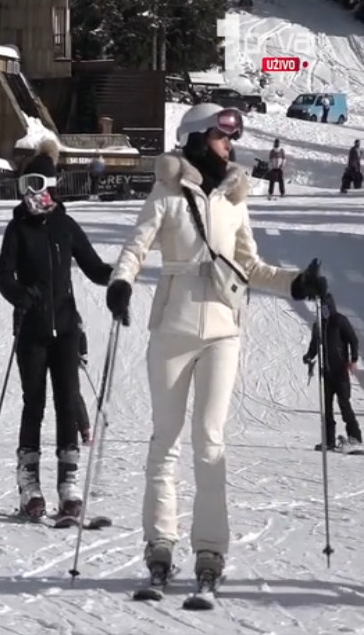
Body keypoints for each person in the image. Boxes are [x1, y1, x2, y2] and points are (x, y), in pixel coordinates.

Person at [105, 102, 329, 586]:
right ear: (195, 137)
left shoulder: (234, 199)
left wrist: (296, 284)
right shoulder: (165, 193)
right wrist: (121, 282)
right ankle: (159, 541)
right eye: (224, 136)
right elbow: (135, 246)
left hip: (224, 328)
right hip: (173, 327)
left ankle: (210, 547)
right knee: (165, 438)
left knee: (210, 440)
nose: (232, 145)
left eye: (233, 137)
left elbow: (251, 266)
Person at [0, 137, 113, 522]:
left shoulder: (65, 225)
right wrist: (19, 296)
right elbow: (3, 276)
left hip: (64, 329)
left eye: (34, 185)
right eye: (23, 185)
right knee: (34, 404)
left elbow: (95, 268)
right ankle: (29, 483)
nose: (28, 194)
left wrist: (121, 277)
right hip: (30, 330)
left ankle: (68, 484)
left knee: (67, 403)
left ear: (48, 187)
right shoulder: (17, 228)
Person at [303, 292, 361, 452]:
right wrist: (309, 356)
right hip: (326, 372)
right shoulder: (318, 325)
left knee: (344, 404)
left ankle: (355, 437)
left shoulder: (339, 321)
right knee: (326, 408)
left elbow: (352, 339)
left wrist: (353, 359)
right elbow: (314, 344)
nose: (323, 311)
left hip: (340, 370)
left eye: (325, 307)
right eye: (321, 308)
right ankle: (329, 440)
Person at [75, 314, 91, 445]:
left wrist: (83, 355)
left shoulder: (72, 314)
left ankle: (84, 429)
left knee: (74, 395)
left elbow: (81, 334)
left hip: (70, 360)